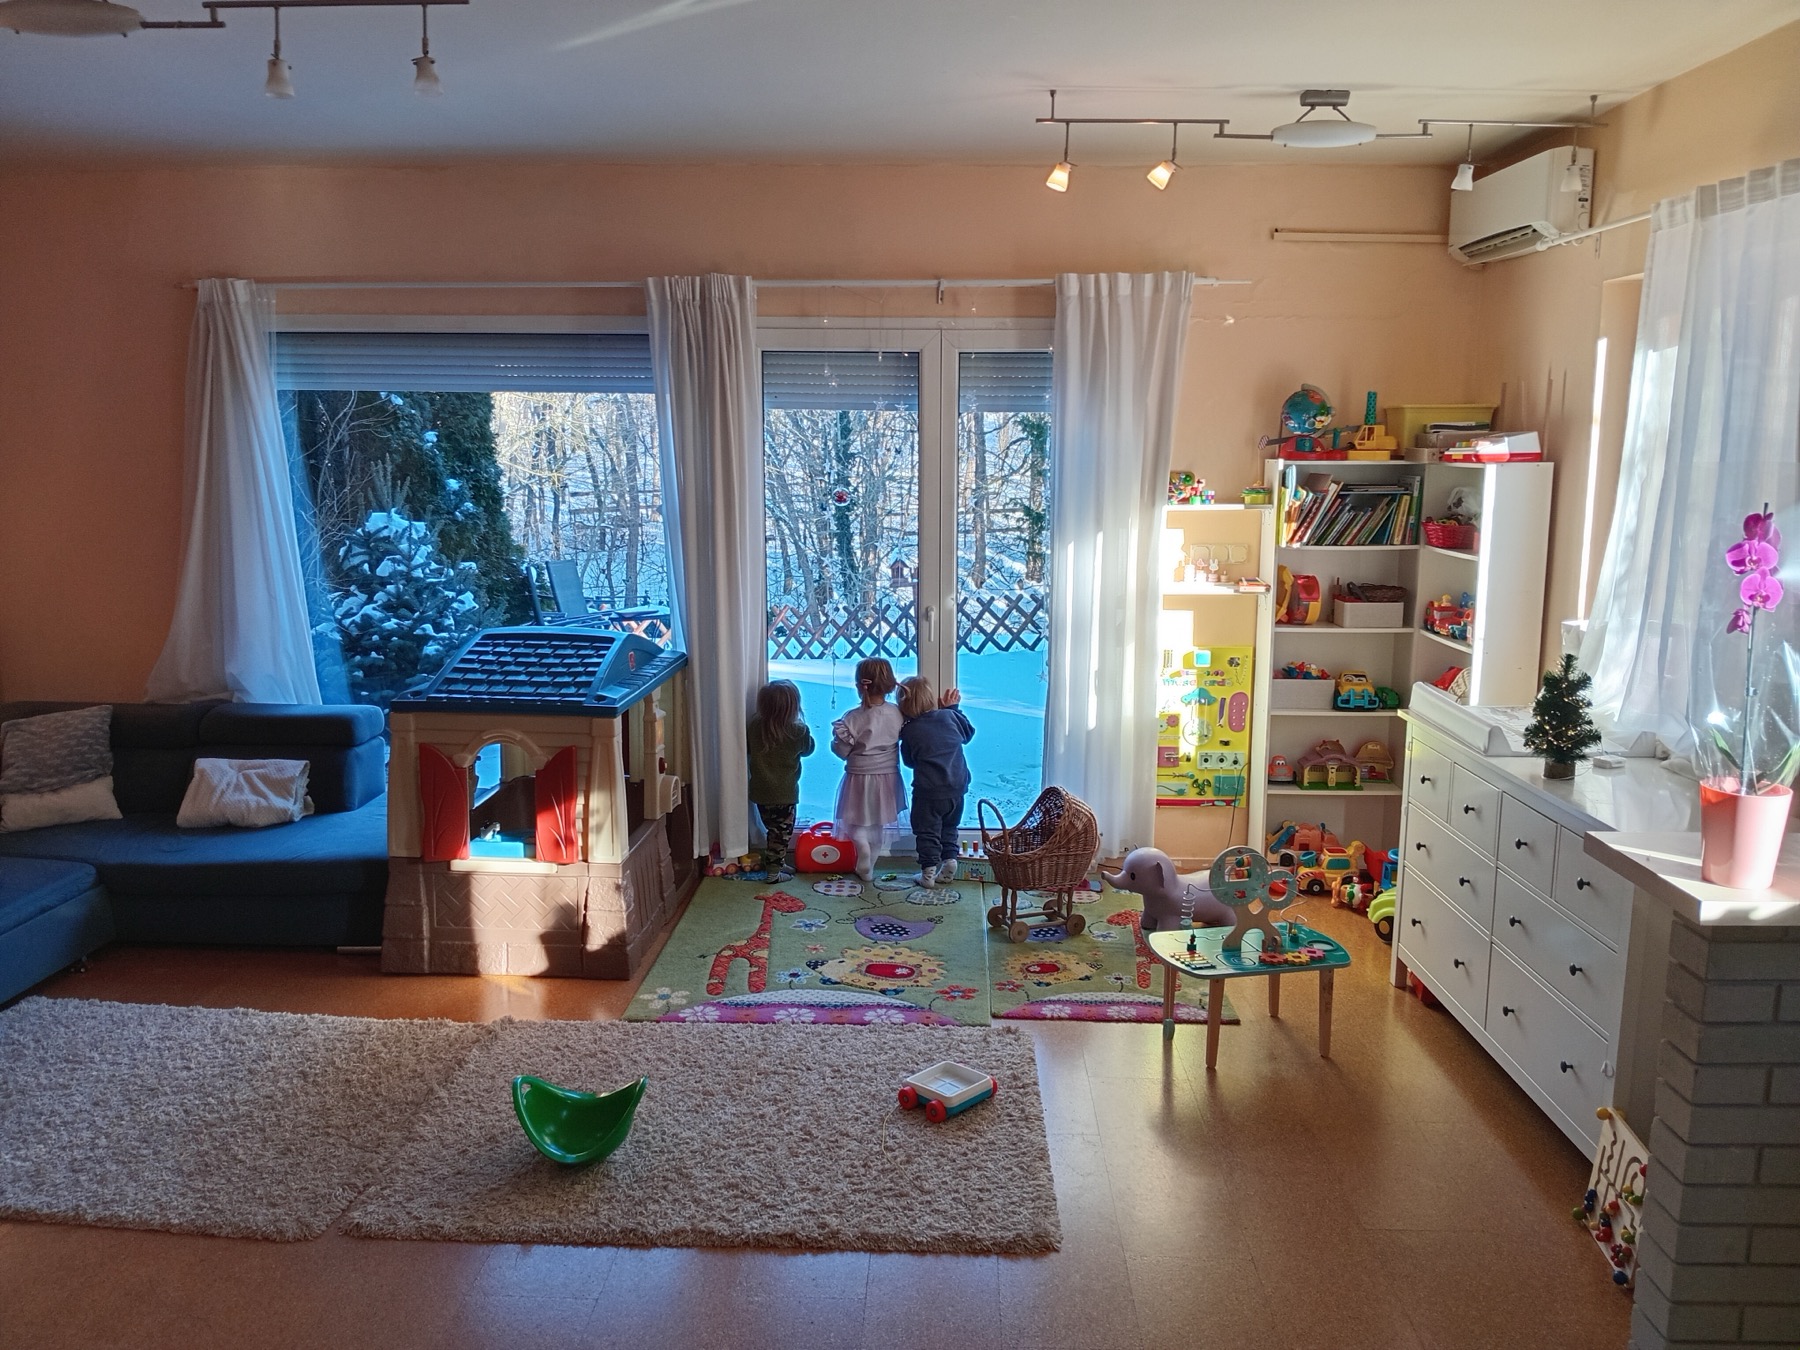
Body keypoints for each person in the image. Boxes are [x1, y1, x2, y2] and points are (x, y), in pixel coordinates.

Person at [830, 658, 906, 882]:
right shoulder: (897, 713)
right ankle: (868, 869)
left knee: (855, 822)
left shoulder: (853, 717)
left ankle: (861, 848)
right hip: (888, 778)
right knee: (878, 824)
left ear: (859, 685)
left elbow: (842, 751)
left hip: (859, 777)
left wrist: (836, 744)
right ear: (890, 685)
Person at [896, 676, 974, 888]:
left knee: (926, 831)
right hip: (957, 789)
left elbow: (909, 762)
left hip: (928, 792)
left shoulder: (909, 730)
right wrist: (954, 709)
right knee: (950, 826)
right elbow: (968, 734)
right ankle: (950, 861)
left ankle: (928, 872)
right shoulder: (950, 716)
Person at [746, 680, 814, 881]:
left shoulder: (755, 726)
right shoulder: (798, 731)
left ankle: (778, 862)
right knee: (781, 834)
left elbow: (749, 749)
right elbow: (808, 750)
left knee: (773, 829)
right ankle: (773, 873)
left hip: (760, 791)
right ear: (794, 707)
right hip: (785, 794)